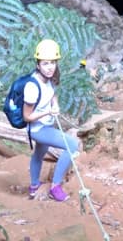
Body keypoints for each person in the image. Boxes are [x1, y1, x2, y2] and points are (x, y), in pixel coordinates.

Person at [24, 38, 82, 201]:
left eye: (52, 63)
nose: (50, 67)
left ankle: (34, 186)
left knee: (39, 154)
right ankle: (55, 187)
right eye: (45, 63)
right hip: (37, 129)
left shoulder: (50, 78)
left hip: (46, 125)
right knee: (72, 145)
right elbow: (27, 116)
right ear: (38, 64)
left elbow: (53, 94)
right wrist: (47, 112)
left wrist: (54, 104)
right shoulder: (32, 87)